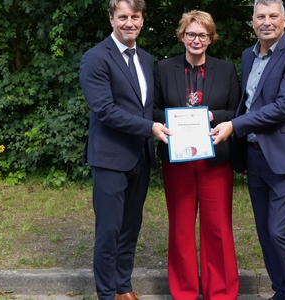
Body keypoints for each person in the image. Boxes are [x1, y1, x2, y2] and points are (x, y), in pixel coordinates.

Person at [210, 0, 285, 299]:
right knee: (266, 234)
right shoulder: (248, 55)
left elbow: (282, 108)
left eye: (273, 16)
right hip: (255, 156)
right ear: (253, 22)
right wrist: (229, 131)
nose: (266, 22)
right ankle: (280, 292)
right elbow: (248, 102)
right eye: (260, 16)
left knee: (281, 232)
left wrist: (234, 126)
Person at [79, 0, 171, 299]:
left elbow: (147, 108)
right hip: (110, 157)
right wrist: (149, 128)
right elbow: (104, 110)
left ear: (142, 20)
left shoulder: (145, 58)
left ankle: (123, 287)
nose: (129, 22)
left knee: (131, 227)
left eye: (135, 16)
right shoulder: (95, 58)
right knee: (109, 231)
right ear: (111, 19)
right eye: (122, 17)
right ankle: (106, 294)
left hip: (140, 157)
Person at [153, 10, 241, 300]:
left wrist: (212, 115)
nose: (197, 40)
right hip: (177, 160)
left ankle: (222, 292)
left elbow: (237, 110)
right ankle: (185, 292)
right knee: (180, 228)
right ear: (181, 36)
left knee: (217, 228)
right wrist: (169, 121)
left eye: (203, 35)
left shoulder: (226, 69)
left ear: (211, 38)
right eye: (191, 34)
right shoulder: (164, 69)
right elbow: (152, 110)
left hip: (214, 159)